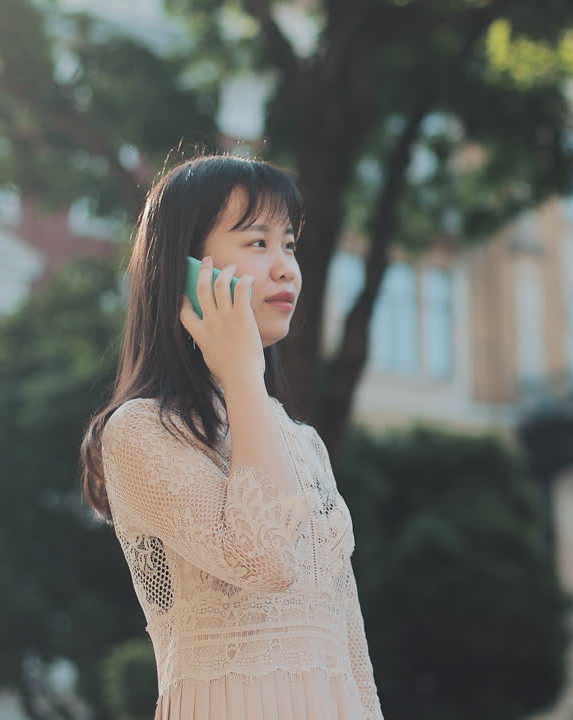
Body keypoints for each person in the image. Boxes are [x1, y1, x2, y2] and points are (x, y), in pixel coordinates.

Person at [78, 154, 383, 720]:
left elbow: (351, 650)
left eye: (289, 244)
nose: (287, 268)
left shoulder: (304, 444)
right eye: (257, 242)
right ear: (186, 266)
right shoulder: (142, 431)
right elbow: (265, 559)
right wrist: (244, 374)